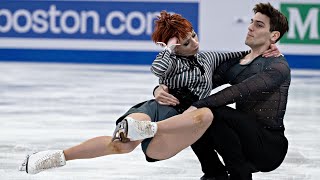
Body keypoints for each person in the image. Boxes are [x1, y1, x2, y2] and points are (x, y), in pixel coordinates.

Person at [19, 11, 279, 175]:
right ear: (176, 46)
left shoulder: (209, 57)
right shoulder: (171, 61)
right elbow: (156, 67)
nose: (196, 43)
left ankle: (150, 131)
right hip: (155, 110)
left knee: (206, 114)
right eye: (187, 42)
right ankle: (55, 157)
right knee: (120, 145)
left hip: (177, 124)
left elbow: (241, 54)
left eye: (195, 36)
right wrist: (169, 48)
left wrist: (266, 49)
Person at [150, 3, 290, 180]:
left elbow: (237, 91)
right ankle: (214, 173)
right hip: (243, 139)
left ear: (274, 36)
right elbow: (199, 84)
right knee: (193, 108)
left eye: (259, 25)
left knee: (209, 111)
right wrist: (159, 89)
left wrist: (197, 107)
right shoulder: (241, 62)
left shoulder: (278, 67)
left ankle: (239, 175)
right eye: (252, 22)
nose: (250, 27)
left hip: (269, 147)